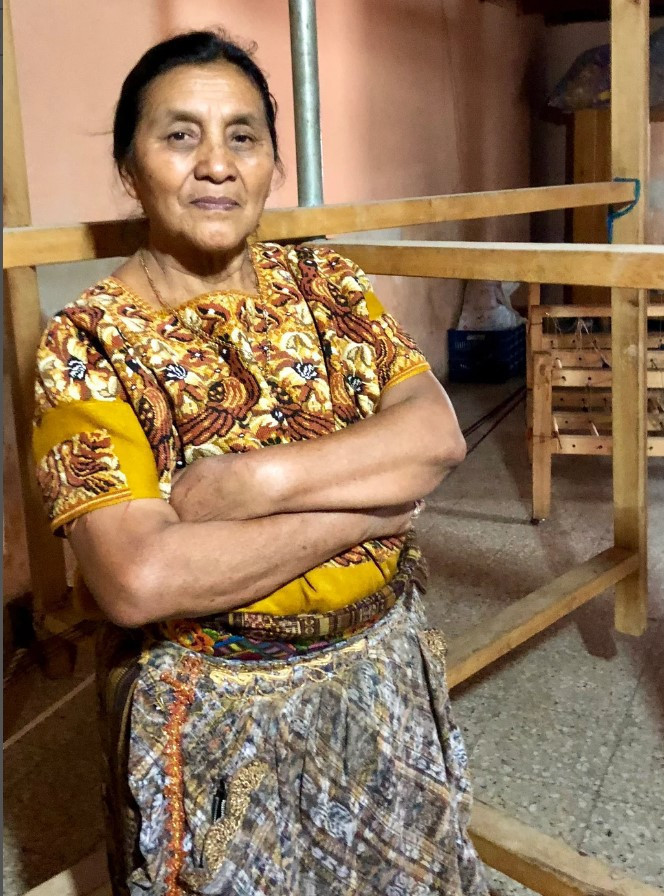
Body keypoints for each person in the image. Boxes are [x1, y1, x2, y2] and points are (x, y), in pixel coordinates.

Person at [33, 30, 489, 896]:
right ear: (129, 169)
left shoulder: (327, 286)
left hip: (386, 674)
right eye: (179, 135)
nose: (216, 164)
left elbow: (435, 436)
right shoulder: (87, 341)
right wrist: (372, 510)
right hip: (215, 711)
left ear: (275, 164)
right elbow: (139, 576)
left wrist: (255, 483)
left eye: (243, 135)